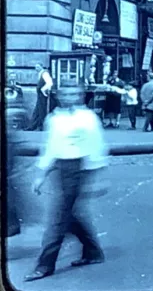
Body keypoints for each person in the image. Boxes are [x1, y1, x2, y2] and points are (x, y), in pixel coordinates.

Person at [24, 82, 108, 282]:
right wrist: (41, 174)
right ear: (59, 96)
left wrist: (98, 177)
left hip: (80, 168)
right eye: (66, 94)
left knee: (58, 218)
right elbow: (50, 147)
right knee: (68, 214)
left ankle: (45, 265)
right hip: (61, 168)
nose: (71, 97)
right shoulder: (54, 118)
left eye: (75, 94)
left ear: (80, 95)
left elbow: (97, 146)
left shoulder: (88, 118)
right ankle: (92, 252)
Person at [26, 63, 54, 131]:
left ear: (41, 66)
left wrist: (43, 90)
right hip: (40, 94)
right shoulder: (41, 73)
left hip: (42, 95)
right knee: (37, 111)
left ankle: (41, 126)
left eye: (38, 67)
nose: (36, 68)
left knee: (41, 111)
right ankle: (33, 126)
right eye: (35, 67)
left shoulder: (45, 73)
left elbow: (50, 83)